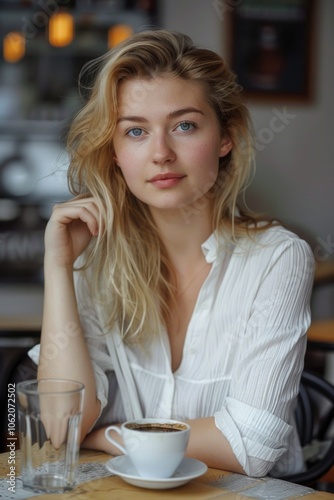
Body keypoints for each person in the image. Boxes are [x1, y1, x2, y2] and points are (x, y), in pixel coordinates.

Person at [29, 29, 314, 478]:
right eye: (136, 131)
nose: (161, 153)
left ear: (225, 138)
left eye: (184, 125)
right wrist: (60, 266)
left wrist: (105, 434)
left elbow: (251, 448)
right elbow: (62, 427)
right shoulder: (94, 259)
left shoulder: (278, 258)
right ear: (116, 153)